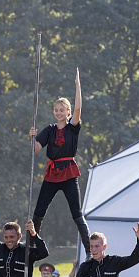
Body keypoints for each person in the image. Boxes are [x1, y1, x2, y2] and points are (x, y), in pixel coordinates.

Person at [28, 69, 90, 247]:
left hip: (69, 172)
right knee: (39, 211)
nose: (58, 113)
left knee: (76, 213)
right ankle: (32, 246)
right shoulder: (49, 130)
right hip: (53, 173)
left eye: (62, 110)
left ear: (68, 111)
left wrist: (77, 86)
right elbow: (36, 150)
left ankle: (88, 249)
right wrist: (32, 138)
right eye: (56, 110)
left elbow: (78, 108)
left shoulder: (72, 127)